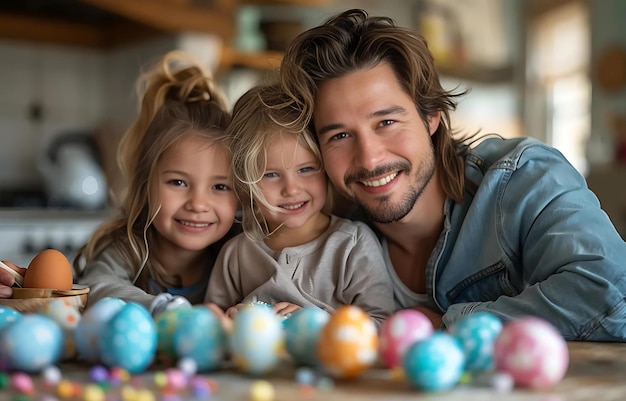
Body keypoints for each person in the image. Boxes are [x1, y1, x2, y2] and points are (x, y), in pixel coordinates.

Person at [278, 9, 626, 341]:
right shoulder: (329, 231)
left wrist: (448, 323)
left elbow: (608, 287)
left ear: (432, 116)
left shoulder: (524, 178)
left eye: (386, 122)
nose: (369, 159)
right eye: (339, 136)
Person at [205, 83, 394, 325]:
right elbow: (210, 326)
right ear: (245, 182)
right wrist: (228, 322)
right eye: (270, 174)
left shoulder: (351, 245)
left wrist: (319, 325)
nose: (291, 189)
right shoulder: (236, 254)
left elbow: (382, 324)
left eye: (306, 169)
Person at [72, 50, 239, 316]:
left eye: (220, 187)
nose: (198, 203)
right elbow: (97, 286)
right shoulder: (129, 249)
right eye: (178, 182)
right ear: (145, 183)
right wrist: (163, 309)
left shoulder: (242, 252)